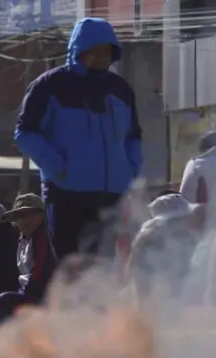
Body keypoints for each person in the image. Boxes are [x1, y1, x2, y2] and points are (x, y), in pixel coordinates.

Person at [14, 17, 143, 259]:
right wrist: (59, 168)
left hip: (110, 195)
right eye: (94, 51)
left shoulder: (121, 90)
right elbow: (25, 133)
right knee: (71, 266)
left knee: (103, 268)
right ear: (78, 50)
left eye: (106, 51)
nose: (101, 58)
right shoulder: (50, 85)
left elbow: (134, 136)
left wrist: (131, 171)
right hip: (67, 195)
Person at [0, 194, 58, 321]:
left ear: (40, 215)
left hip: (40, 293)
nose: (21, 220)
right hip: (24, 290)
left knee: (5, 301)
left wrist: (27, 290)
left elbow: (39, 272)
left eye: (26, 214)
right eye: (18, 216)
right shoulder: (21, 240)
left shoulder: (43, 238)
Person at [126, 193, 204, 304]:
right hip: (161, 304)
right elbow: (139, 280)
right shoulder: (148, 242)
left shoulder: (186, 237)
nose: (189, 219)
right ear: (171, 222)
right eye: (183, 217)